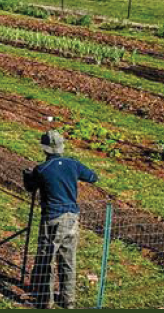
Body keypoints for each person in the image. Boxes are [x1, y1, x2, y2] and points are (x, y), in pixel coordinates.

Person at [23, 130, 99, 309]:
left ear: (45, 149)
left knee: (46, 259)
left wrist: (27, 175)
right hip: (72, 218)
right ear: (61, 147)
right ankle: (68, 300)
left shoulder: (42, 169)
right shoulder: (73, 164)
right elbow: (93, 177)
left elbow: (30, 187)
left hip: (52, 219)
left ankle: (45, 300)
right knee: (68, 260)